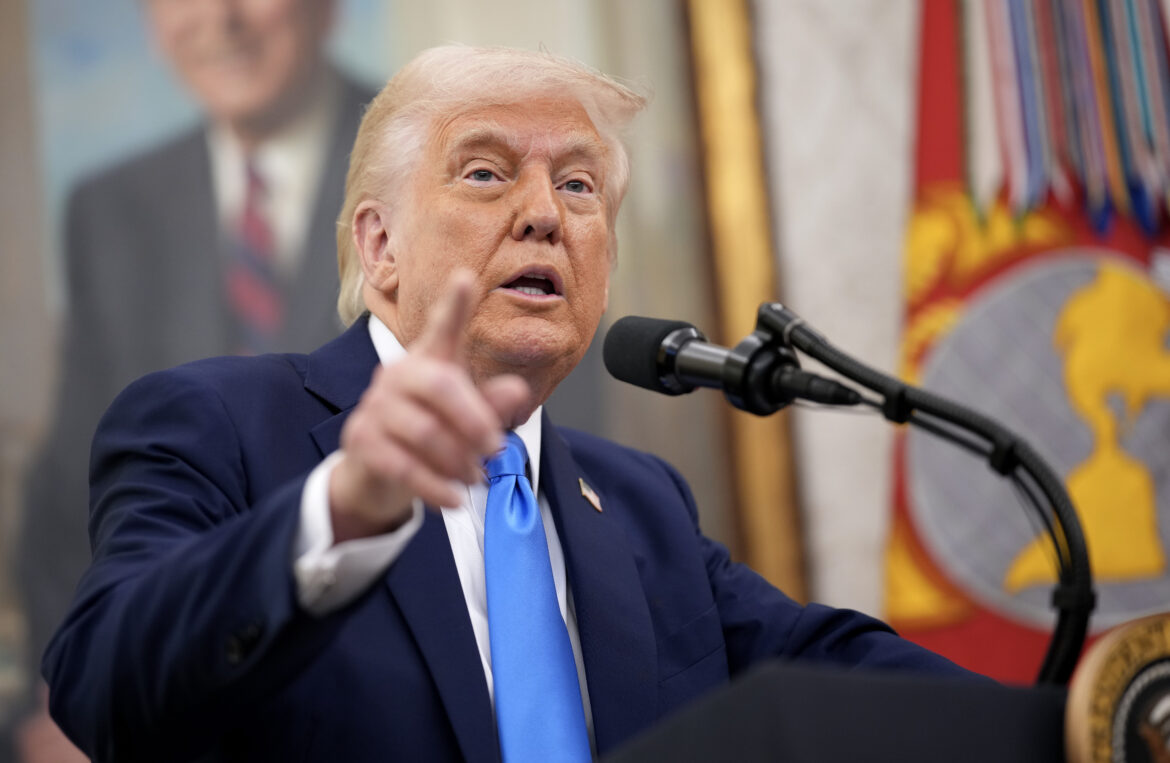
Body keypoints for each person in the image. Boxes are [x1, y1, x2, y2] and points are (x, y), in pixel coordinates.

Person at [42, 45, 971, 762]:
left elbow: (831, 666)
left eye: (578, 185)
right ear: (380, 246)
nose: (544, 214)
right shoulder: (214, 424)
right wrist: (336, 515)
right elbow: (105, 686)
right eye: (485, 172)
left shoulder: (643, 502)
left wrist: (1061, 713)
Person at [14, 0, 374, 758]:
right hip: (171, 698)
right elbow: (71, 492)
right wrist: (73, 694)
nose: (219, 17)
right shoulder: (109, 209)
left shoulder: (435, 162)